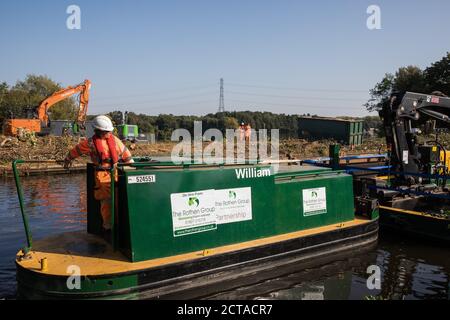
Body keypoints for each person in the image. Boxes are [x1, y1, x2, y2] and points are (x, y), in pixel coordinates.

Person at [64, 115, 133, 234]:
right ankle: (108, 227)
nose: (108, 134)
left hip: (116, 172)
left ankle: (120, 225)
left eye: (109, 131)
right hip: (101, 174)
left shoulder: (115, 140)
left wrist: (132, 167)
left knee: (119, 198)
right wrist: (68, 159)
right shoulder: (90, 143)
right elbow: (77, 150)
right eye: (106, 132)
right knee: (106, 201)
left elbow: (126, 154)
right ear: (98, 131)